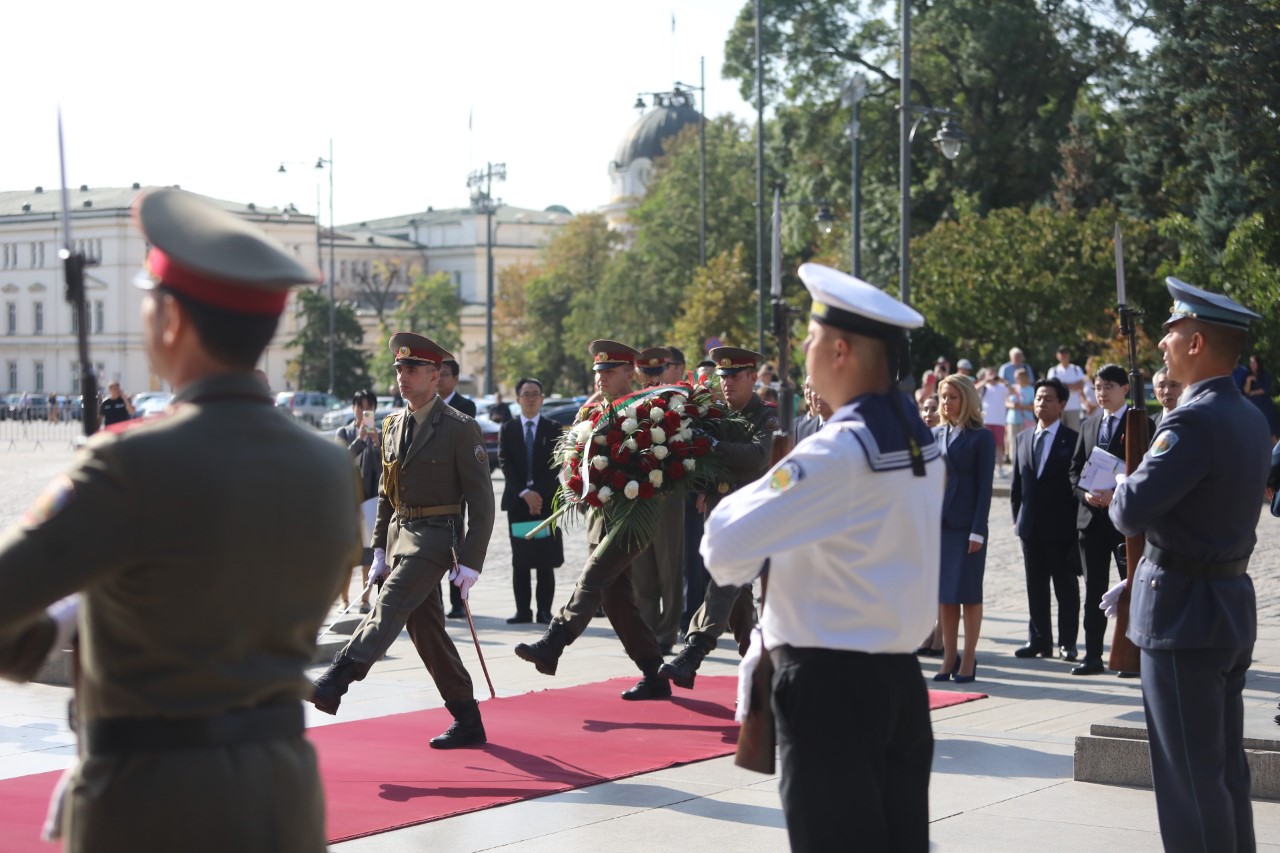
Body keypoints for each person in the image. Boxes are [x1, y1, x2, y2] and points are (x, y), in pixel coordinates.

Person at [0, 187, 361, 850]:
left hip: (150, 803)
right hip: (281, 794)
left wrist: (34, 638)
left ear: (171, 320)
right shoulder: (329, 466)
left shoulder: (129, 464)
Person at [702, 263, 942, 852]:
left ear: (839, 350)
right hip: (898, 681)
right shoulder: (917, 440)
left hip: (831, 687)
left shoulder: (841, 449)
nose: (803, 352)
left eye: (810, 339)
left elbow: (723, 545)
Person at [1108, 277, 1269, 851]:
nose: (1162, 345)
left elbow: (1128, 511)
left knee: (1189, 783)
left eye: (1173, 333)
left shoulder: (1191, 421)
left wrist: (1128, 469)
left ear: (1197, 342)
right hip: (1224, 607)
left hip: (1182, 616)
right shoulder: (1249, 417)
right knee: (1223, 772)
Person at [307, 332, 495, 749]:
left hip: (436, 537)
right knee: (427, 631)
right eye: (399, 369)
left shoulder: (460, 429)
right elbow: (388, 495)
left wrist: (471, 560)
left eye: (412, 370)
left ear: (435, 375)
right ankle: (467, 716)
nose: (402, 377)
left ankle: (338, 676)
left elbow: (483, 503)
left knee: (390, 602)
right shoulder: (393, 425)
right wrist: (378, 548)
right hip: (400, 536)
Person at [514, 340, 672, 700]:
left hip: (634, 514)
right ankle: (654, 672)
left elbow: (657, 461)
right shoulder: (589, 413)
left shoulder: (647, 409)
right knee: (615, 598)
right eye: (598, 371)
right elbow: (574, 462)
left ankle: (555, 641)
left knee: (595, 574)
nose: (601, 378)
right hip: (600, 517)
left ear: (629, 372)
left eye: (609, 371)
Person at [658, 346, 776, 690]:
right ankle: (762, 674)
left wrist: (710, 446)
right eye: (723, 377)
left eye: (735, 377)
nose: (727, 383)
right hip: (718, 515)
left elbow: (757, 457)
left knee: (726, 582)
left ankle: (693, 651)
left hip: (752, 518)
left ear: (753, 378)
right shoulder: (716, 415)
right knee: (736, 598)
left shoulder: (766, 415)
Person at [1068, 363, 1155, 675]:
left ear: (1125, 389)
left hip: (1123, 522)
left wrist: (1114, 495)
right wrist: (1086, 494)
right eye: (1097, 387)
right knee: (1094, 589)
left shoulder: (1141, 423)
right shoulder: (1089, 425)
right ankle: (1092, 655)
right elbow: (1075, 470)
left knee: (1129, 587)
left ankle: (1131, 656)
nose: (1102, 393)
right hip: (1090, 521)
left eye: (1108, 387)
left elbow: (1146, 471)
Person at [1009, 378, 1080, 660]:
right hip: (1031, 528)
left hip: (1062, 529)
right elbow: (1017, 487)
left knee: (1066, 588)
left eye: (1049, 399)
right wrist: (1019, 521)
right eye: (1039, 398)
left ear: (1062, 404)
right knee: (1035, 587)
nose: (1042, 403)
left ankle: (1068, 643)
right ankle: (1039, 640)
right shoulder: (1022, 438)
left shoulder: (1073, 440)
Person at [933, 374, 996, 683]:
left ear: (966, 399)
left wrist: (978, 529)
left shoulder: (981, 437)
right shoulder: (935, 434)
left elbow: (985, 488)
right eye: (943, 396)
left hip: (967, 527)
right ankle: (948, 658)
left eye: (953, 397)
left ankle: (968, 659)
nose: (946, 402)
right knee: (945, 596)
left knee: (968, 594)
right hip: (940, 527)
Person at [630, 347, 685, 652]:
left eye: (656, 372)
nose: (651, 378)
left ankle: (667, 632)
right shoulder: (631, 403)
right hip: (637, 494)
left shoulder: (677, 401)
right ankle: (647, 628)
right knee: (642, 568)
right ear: (638, 374)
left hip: (668, 494)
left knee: (669, 564)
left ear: (664, 372)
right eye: (646, 373)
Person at [498, 377, 564, 624]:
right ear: (517, 399)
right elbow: (506, 463)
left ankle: (544, 611)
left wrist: (538, 493)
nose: (531, 398)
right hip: (518, 503)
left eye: (535, 393)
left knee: (545, 558)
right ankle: (522, 610)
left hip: (546, 503)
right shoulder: (509, 428)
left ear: (542, 398)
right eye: (526, 394)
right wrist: (525, 494)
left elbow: (556, 464)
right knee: (522, 559)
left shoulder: (553, 428)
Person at [439, 357, 478, 618]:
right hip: (430, 487)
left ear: (454, 378)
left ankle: (458, 601)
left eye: (443, 374)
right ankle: (435, 603)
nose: (438, 378)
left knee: (455, 544)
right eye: (436, 373)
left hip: (455, 488)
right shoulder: (425, 404)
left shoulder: (465, 406)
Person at [336, 389, 381, 613]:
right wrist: (361, 439)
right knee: (346, 555)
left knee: (369, 554)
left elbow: (386, 468)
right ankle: (343, 600)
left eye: (369, 407)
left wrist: (376, 442)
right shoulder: (344, 433)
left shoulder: (380, 434)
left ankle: (365, 599)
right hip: (350, 503)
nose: (365, 411)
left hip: (373, 502)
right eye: (361, 406)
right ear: (353, 408)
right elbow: (342, 460)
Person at [976, 368, 1011, 476]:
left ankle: (999, 468)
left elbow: (1013, 392)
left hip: (999, 421)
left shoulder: (1002, 387)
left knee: (999, 445)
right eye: (990, 374)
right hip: (986, 421)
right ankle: (985, 467)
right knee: (985, 445)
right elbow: (974, 390)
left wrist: (1003, 381)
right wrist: (985, 380)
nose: (992, 376)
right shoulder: (984, 387)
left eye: (993, 374)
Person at [1047, 345, 1087, 431]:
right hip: (1057, 408)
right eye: (1061, 353)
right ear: (1058, 355)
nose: (1064, 356)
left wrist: (1062, 385)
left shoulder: (1076, 369)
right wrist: (1072, 386)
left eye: (1066, 353)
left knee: (1073, 433)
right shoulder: (1053, 371)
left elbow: (1081, 385)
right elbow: (1052, 388)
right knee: (1057, 433)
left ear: (1069, 355)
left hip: (1074, 407)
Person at [1245, 354, 1279, 444]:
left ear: (1258, 363)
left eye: (1254, 362)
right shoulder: (1248, 375)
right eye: (1251, 362)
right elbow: (1246, 391)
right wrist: (1248, 380)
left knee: (1271, 432)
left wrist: (1253, 393)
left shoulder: (1265, 375)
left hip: (1265, 407)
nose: (1252, 364)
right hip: (1253, 408)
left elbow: (1264, 389)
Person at [1005, 367, 1035, 458]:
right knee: (1012, 441)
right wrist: (1013, 406)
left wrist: (1021, 406)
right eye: (1016, 377)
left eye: (1018, 377)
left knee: (1026, 442)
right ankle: (1013, 462)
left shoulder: (1031, 390)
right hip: (1012, 419)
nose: (1016, 379)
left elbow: (1034, 406)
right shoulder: (1012, 388)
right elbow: (1006, 402)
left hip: (1027, 420)